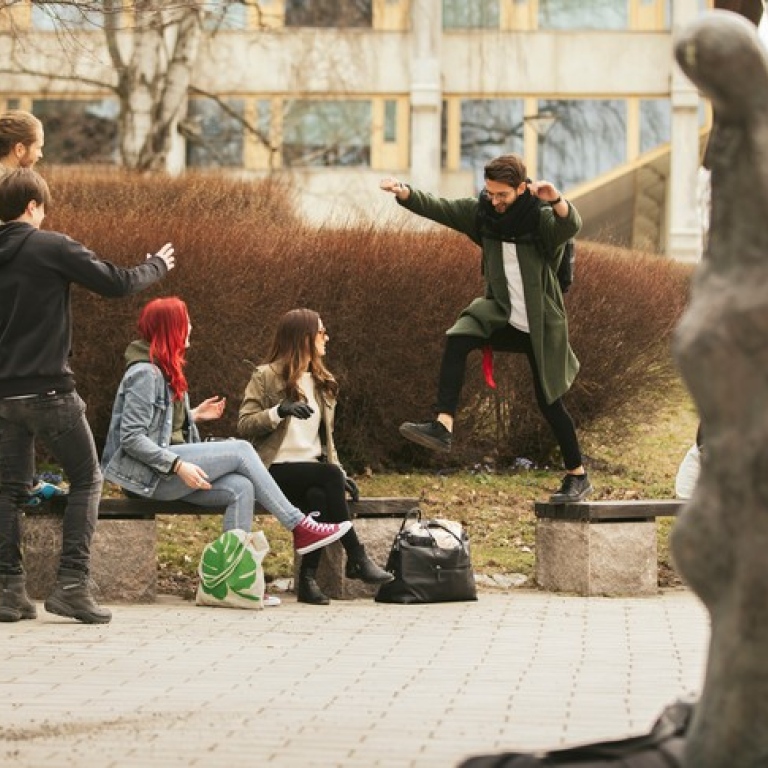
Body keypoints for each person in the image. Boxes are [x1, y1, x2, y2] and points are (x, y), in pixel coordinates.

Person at [0, 168, 175, 624]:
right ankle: (73, 584)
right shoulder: (49, 245)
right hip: (49, 391)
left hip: (2, 397)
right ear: (34, 206)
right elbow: (115, 282)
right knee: (87, 478)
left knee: (7, 490)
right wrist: (157, 265)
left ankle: (7, 591)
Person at [380, 153, 592, 503]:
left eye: (502, 195)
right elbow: (440, 207)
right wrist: (404, 193)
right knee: (459, 337)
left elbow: (570, 226)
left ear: (522, 188)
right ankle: (442, 424)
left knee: (550, 402)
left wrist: (556, 199)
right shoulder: (481, 213)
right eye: (490, 193)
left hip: (540, 324)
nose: (495, 202)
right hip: (502, 315)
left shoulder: (540, 219)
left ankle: (577, 475)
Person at [101, 298, 352, 577]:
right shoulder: (145, 372)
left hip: (165, 471)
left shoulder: (164, 369)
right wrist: (178, 465)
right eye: (186, 323)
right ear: (171, 329)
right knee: (241, 450)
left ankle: (232, 578)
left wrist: (193, 415)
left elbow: (157, 425)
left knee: (241, 487)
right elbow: (132, 437)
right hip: (148, 476)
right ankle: (299, 525)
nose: (191, 328)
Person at [237, 308, 394, 605]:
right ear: (303, 337)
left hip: (311, 470)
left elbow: (326, 442)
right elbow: (244, 424)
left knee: (319, 496)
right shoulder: (266, 376)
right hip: (272, 471)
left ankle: (308, 582)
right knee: (328, 478)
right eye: (321, 332)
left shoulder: (324, 382)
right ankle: (357, 557)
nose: (327, 337)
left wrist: (340, 472)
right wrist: (278, 410)